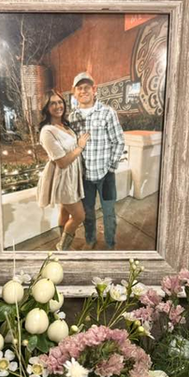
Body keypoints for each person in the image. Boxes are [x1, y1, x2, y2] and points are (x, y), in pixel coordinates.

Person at [68, 72, 126, 250]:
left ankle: (110, 244)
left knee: (109, 213)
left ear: (94, 90)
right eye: (79, 88)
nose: (83, 91)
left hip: (106, 175)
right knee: (88, 213)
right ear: (74, 92)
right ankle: (90, 240)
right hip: (85, 177)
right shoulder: (72, 118)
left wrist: (111, 167)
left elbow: (119, 141)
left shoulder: (108, 113)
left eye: (87, 87)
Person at [36, 90, 91, 251]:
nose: (58, 106)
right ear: (46, 108)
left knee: (65, 211)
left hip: (72, 176)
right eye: (53, 103)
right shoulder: (47, 131)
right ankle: (63, 247)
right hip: (63, 178)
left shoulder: (64, 125)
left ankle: (62, 239)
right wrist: (80, 146)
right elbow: (62, 161)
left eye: (60, 102)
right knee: (79, 216)